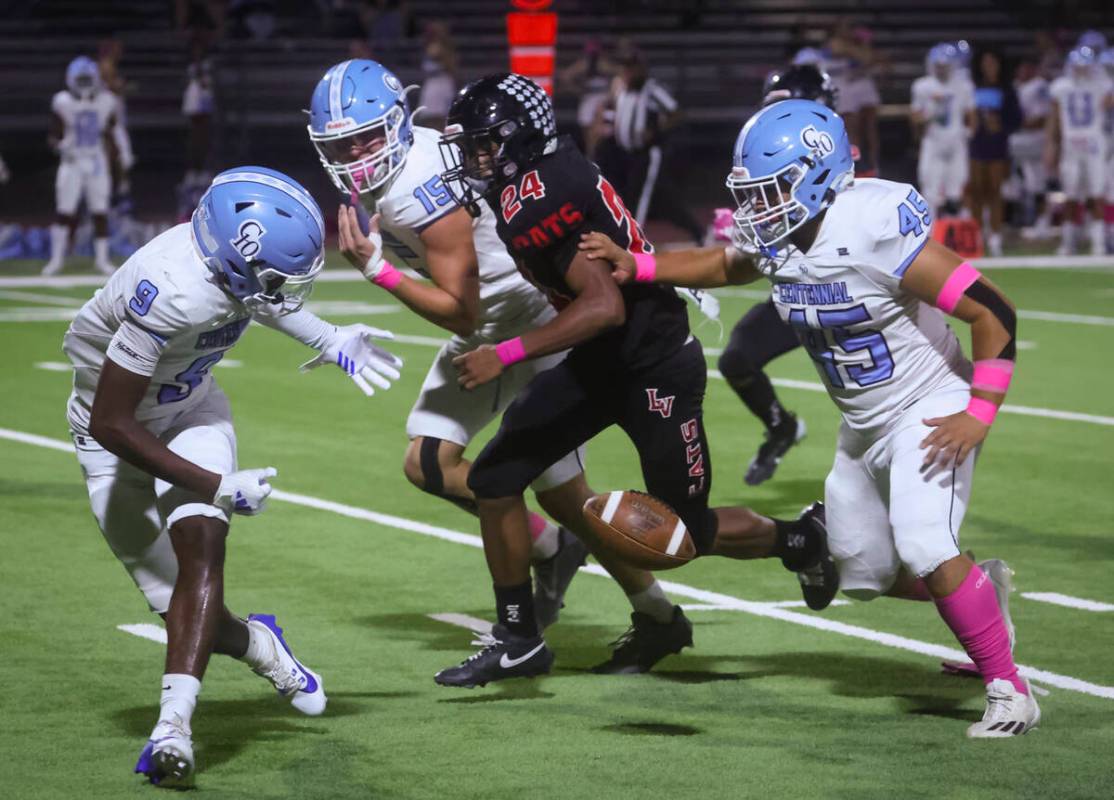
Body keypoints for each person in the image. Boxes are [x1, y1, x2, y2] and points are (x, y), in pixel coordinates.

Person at [580, 99, 1038, 739]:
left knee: (926, 542)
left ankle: (1009, 688)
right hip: (864, 423)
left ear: (817, 175)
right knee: (861, 571)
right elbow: (725, 263)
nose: (759, 206)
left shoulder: (871, 228)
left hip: (930, 403)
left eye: (773, 189)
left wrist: (979, 413)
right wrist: (643, 266)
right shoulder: (782, 236)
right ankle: (979, 588)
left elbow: (994, 312)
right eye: (754, 192)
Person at [433, 73, 838, 689]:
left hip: (654, 367)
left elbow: (603, 307)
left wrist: (506, 351)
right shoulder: (545, 175)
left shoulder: (538, 196)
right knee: (496, 477)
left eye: (484, 145)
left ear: (515, 139)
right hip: (602, 363)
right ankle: (517, 640)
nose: (473, 160)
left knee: (685, 531)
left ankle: (801, 541)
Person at [306, 59, 690, 669]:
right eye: (341, 144)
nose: (355, 155)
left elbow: (460, 311)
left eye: (367, 138)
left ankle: (651, 613)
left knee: (557, 492)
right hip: (495, 320)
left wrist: (377, 270)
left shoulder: (411, 192)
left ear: (399, 124)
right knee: (430, 461)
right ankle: (551, 550)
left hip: (522, 321)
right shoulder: (417, 157)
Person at [63, 167, 404, 786]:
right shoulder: (168, 289)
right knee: (190, 614)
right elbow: (112, 423)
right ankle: (260, 646)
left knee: (203, 556)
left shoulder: (221, 264)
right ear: (236, 256)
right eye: (274, 275)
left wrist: (328, 339)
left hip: (191, 409)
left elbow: (258, 298)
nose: (284, 292)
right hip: (107, 436)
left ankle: (172, 729)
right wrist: (218, 486)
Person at [718, 63, 837, 486]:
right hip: (799, 292)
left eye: (782, 106)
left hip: (847, 295)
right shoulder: (775, 154)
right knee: (736, 360)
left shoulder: (839, 158)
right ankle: (781, 426)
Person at [596, 51, 704, 242]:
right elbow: (613, 112)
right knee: (660, 201)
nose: (627, 73)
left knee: (638, 197)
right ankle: (697, 231)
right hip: (623, 153)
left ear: (640, 70)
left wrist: (655, 131)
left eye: (631, 69)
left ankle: (631, 239)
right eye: (624, 69)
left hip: (646, 153)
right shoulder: (620, 89)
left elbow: (675, 113)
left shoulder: (652, 90)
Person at [42, 56, 124, 276]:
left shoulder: (107, 100)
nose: (85, 84)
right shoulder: (62, 101)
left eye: (88, 79)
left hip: (96, 161)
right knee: (64, 211)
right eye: (82, 79)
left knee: (100, 211)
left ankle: (102, 260)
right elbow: (53, 135)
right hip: (72, 161)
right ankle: (56, 259)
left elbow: (111, 131)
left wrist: (118, 160)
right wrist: (60, 146)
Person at [1047, 46, 1114, 255]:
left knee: (1097, 194)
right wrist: (1051, 145)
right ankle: (1068, 243)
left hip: (1094, 147)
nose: (1080, 71)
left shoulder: (1102, 85)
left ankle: (1098, 243)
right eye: (1077, 67)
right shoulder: (1061, 87)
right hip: (1071, 146)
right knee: (1071, 196)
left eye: (1084, 67)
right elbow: (1055, 119)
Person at [911, 43, 975, 220]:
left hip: (956, 141)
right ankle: (928, 233)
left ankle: (954, 231)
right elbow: (915, 117)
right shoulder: (922, 86)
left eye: (944, 65)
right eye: (938, 66)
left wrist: (969, 133)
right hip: (933, 141)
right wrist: (929, 115)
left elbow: (970, 114)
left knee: (956, 188)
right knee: (929, 189)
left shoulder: (963, 85)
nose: (941, 70)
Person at [969, 48, 1021, 256]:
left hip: (998, 145)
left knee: (995, 191)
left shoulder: (1007, 89)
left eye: (993, 62)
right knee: (977, 191)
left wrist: (1001, 124)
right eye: (986, 62)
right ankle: (977, 235)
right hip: (977, 143)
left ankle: (996, 236)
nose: (988, 66)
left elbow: (1015, 118)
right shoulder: (972, 87)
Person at [1009, 58, 1052, 237]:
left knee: (1038, 183)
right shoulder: (1014, 85)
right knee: (1016, 185)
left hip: (1035, 140)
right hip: (1017, 141)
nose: (1023, 72)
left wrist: (1018, 122)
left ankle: (1042, 220)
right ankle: (1022, 220)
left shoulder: (1039, 86)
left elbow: (1043, 116)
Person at [558, 37, 619, 159]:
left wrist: (612, 92)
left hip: (602, 99)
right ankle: (591, 156)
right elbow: (565, 76)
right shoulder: (584, 64)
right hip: (588, 97)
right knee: (587, 132)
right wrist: (577, 89)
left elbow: (620, 73)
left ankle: (597, 155)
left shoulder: (604, 64)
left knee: (598, 131)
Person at [417, 20, 457, 129]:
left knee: (439, 117)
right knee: (428, 118)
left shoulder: (442, 48)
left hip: (441, 84)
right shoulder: (429, 46)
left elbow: (451, 67)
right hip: (432, 84)